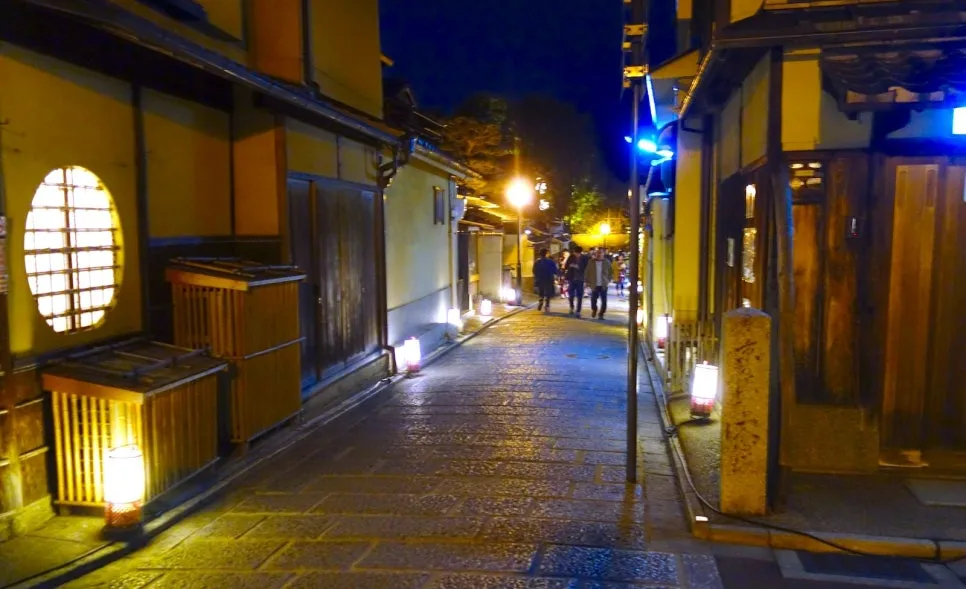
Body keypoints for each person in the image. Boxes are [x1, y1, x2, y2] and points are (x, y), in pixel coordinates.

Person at [585, 247, 613, 320]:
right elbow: (587, 271)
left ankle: (601, 313)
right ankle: (594, 309)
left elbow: (610, 272)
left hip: (603, 284)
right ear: (595, 254)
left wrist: (608, 280)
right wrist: (587, 281)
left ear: (603, 254)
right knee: (593, 299)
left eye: (600, 253)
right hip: (594, 284)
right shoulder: (591, 262)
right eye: (597, 253)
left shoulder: (607, 262)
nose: (599, 255)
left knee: (604, 300)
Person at [532, 248, 558, 312]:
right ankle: (547, 305)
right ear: (546, 254)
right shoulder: (551, 261)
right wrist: (556, 275)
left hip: (540, 279)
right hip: (549, 279)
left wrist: (537, 276)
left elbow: (534, 270)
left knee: (541, 291)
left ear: (540, 254)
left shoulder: (537, 262)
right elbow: (555, 270)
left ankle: (541, 300)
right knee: (548, 292)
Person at [565, 246, 588, 317]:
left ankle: (578, 310)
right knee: (570, 294)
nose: (576, 254)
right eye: (575, 253)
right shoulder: (571, 257)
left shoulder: (585, 258)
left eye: (577, 253)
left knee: (579, 295)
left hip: (580, 279)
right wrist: (570, 265)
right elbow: (566, 265)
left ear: (580, 252)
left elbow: (586, 268)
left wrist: (578, 267)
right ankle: (571, 307)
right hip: (571, 278)